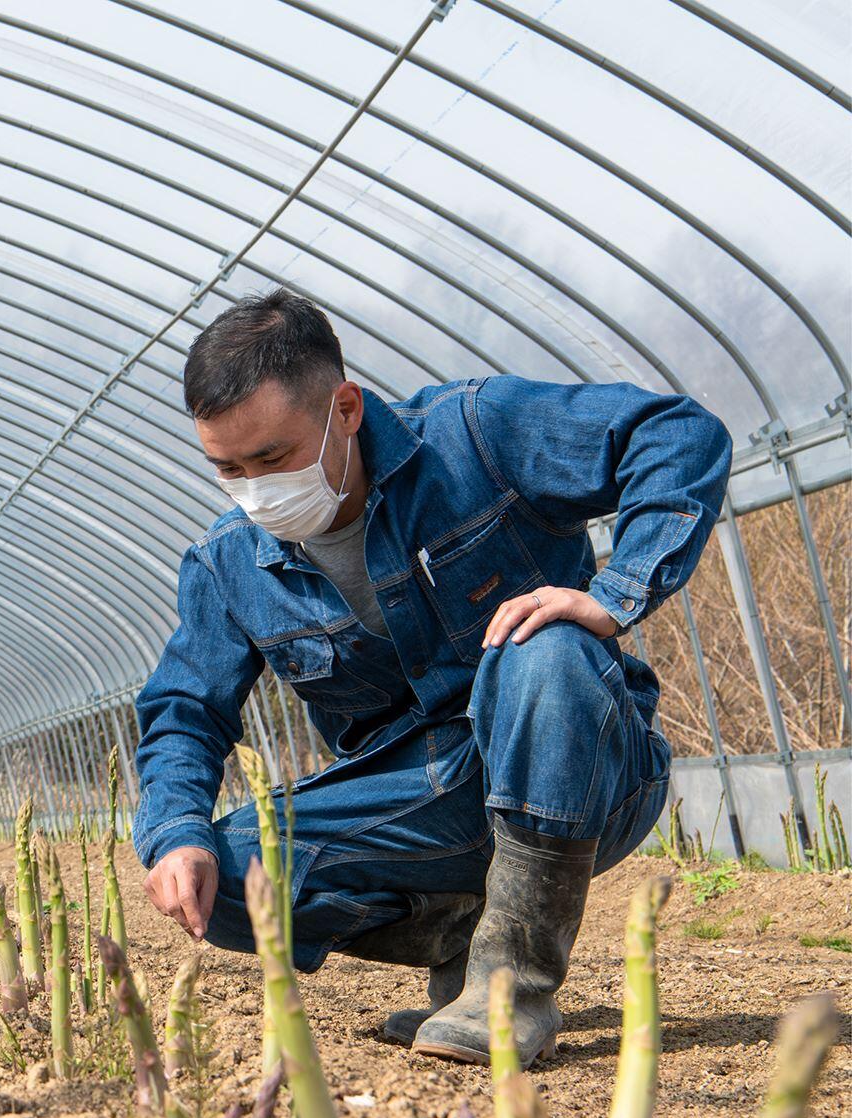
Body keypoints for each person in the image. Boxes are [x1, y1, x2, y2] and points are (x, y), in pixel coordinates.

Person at [133, 288, 731, 1064]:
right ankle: (469, 933)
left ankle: (512, 987)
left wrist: (613, 596)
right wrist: (177, 836)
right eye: (229, 469)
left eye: (273, 458)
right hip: (429, 803)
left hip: (587, 770)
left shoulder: (475, 435)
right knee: (226, 879)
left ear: (345, 409)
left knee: (541, 644)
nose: (255, 488)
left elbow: (675, 433)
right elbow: (184, 711)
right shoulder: (228, 565)